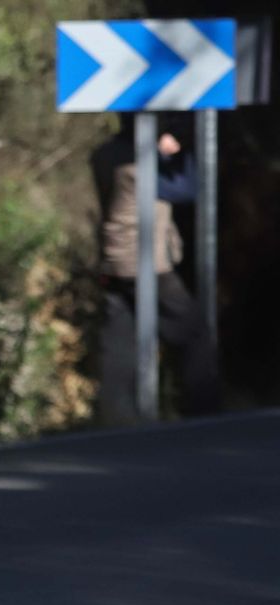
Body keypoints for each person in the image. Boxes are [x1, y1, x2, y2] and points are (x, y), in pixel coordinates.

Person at [91, 121, 218, 424]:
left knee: (120, 344)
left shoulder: (105, 154)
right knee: (194, 333)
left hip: (114, 260)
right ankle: (204, 413)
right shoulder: (137, 164)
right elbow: (185, 188)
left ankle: (117, 420)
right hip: (146, 263)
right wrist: (182, 154)